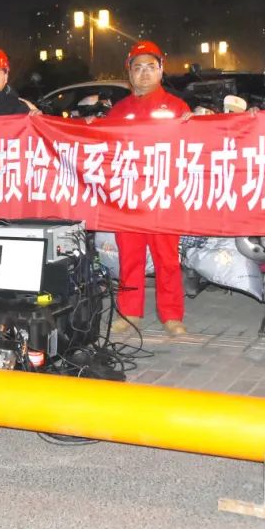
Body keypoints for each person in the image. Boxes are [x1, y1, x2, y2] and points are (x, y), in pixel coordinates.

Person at [102, 40, 190, 338]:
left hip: (162, 196)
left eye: (150, 67)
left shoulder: (177, 108)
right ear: (129, 73)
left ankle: (172, 315)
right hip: (128, 197)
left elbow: (192, 146)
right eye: (137, 67)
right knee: (130, 257)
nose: (144, 73)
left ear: (161, 70)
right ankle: (130, 311)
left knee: (167, 259)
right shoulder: (118, 111)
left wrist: (195, 124)